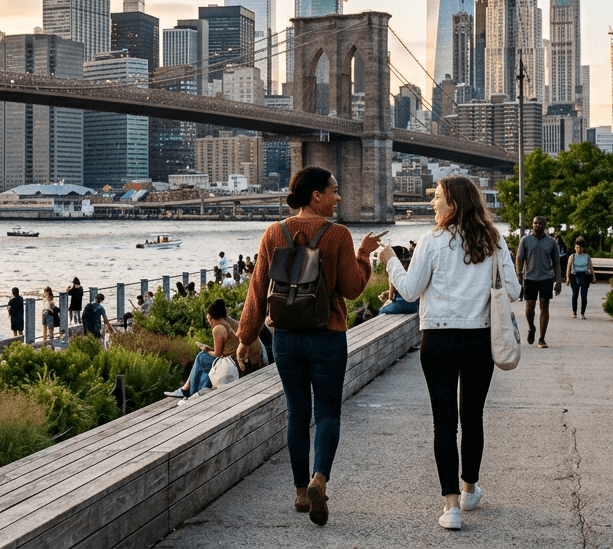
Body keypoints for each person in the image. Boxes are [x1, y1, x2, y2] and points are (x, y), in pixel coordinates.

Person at [235, 166, 383, 527]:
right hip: (327, 334)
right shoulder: (337, 235)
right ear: (316, 195)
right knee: (328, 411)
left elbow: (257, 290)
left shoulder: (274, 232)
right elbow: (351, 289)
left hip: (285, 337)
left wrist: (245, 337)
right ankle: (320, 479)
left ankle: (301, 492)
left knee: (297, 412)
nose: (338, 197)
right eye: (334, 191)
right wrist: (364, 256)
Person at [381, 174, 519, 531]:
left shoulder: (432, 241)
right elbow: (515, 290)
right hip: (479, 340)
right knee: (472, 417)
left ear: (453, 204)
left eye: (437, 197)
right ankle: (470, 487)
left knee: (444, 422)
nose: (432, 203)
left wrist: (390, 260)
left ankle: (451, 507)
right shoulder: (493, 240)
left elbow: (410, 292)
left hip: (439, 340)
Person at [167, 299, 255, 398]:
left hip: (231, 362)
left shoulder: (217, 328)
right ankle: (190, 390)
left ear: (210, 317)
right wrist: (208, 349)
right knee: (204, 364)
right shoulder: (225, 324)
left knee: (201, 357)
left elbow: (217, 354)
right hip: (234, 359)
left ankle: (187, 391)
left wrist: (207, 350)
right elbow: (223, 349)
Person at [516, 216, 561, 348]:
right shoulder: (525, 240)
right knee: (529, 309)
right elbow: (519, 259)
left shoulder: (552, 242)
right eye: (535, 223)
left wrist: (558, 281)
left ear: (544, 225)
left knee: (544, 307)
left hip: (546, 278)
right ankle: (531, 327)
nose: (537, 225)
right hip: (529, 278)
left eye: (540, 223)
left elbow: (557, 263)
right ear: (532, 224)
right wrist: (518, 275)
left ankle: (542, 338)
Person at [568, 238, 596, 318]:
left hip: (585, 276)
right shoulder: (572, 256)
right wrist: (567, 278)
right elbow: (568, 268)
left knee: (584, 296)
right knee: (575, 295)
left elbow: (591, 267)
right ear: (575, 247)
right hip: (575, 276)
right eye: (577, 247)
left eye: (580, 247)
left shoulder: (587, 257)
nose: (578, 249)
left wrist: (593, 276)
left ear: (583, 248)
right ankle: (574, 312)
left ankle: (582, 313)